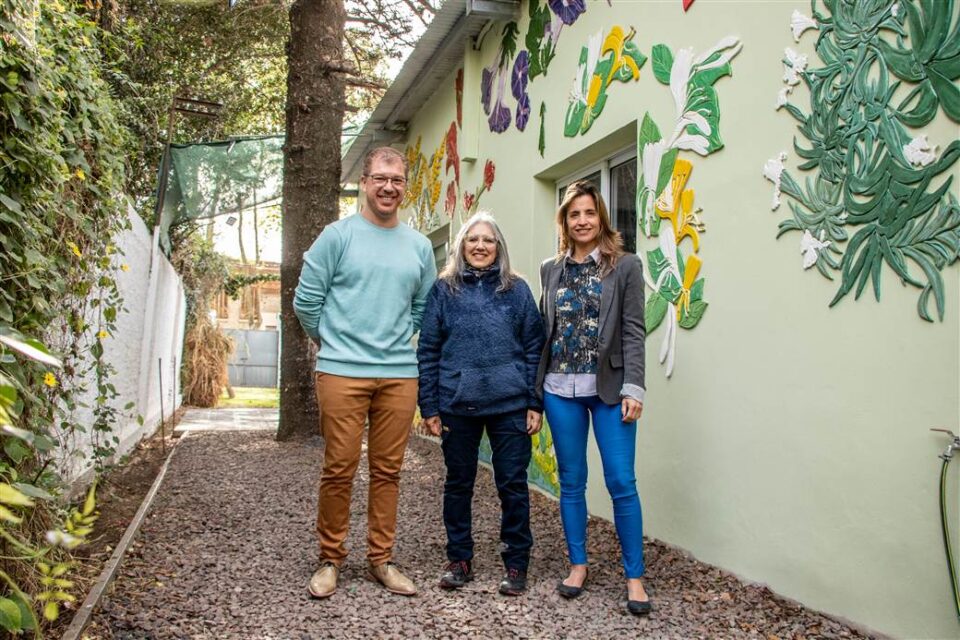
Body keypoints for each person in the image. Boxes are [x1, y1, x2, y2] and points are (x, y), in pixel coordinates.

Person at [294, 146, 437, 599]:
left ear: (404, 186)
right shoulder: (337, 237)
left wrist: (393, 340)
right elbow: (306, 303)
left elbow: (421, 308)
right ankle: (330, 559)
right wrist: (336, 341)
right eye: (380, 178)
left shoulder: (417, 246)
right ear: (365, 183)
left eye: (396, 180)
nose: (388, 187)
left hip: (399, 374)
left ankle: (380, 559)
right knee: (339, 468)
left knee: (388, 470)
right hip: (341, 372)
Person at [536, 180, 651, 615]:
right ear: (564, 221)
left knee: (621, 482)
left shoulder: (624, 266)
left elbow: (634, 330)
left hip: (609, 391)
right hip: (558, 390)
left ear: (600, 216)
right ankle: (578, 564)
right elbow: (546, 332)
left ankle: (634, 577)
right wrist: (534, 391)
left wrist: (634, 387)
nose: (582, 221)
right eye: (573, 214)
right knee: (571, 481)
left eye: (589, 212)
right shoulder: (551, 268)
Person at [417, 212, 545, 596]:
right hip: (458, 404)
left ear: (499, 247)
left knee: (513, 484)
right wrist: (430, 405)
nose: (480, 246)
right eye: (473, 239)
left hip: (510, 404)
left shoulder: (517, 290)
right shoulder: (444, 291)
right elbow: (428, 349)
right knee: (459, 484)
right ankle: (459, 559)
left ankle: (517, 562)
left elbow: (536, 346)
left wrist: (534, 402)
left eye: (488, 240)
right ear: (461, 246)